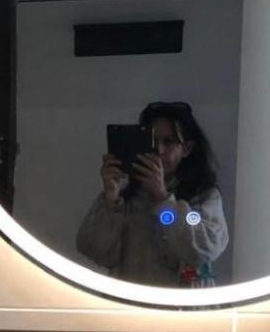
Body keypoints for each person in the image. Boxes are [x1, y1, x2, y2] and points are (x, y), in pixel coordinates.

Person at [76, 101, 229, 286]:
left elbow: (204, 251)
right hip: (134, 300)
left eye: (169, 142)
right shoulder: (126, 199)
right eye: (152, 141)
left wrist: (163, 199)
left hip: (184, 302)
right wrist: (111, 200)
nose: (159, 150)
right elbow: (94, 251)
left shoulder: (204, 196)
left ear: (186, 148)